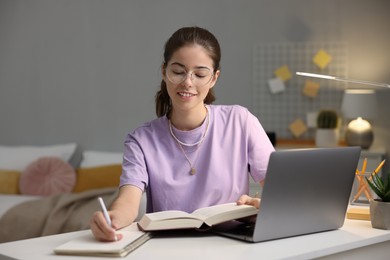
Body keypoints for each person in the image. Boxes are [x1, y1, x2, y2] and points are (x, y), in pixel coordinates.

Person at [90, 26, 275, 241]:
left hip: (234, 244)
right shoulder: (141, 140)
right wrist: (112, 219)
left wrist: (264, 206)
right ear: (164, 71)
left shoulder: (241, 122)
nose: (187, 82)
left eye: (199, 74)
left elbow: (281, 193)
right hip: (168, 248)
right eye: (178, 71)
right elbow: (128, 203)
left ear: (214, 78)